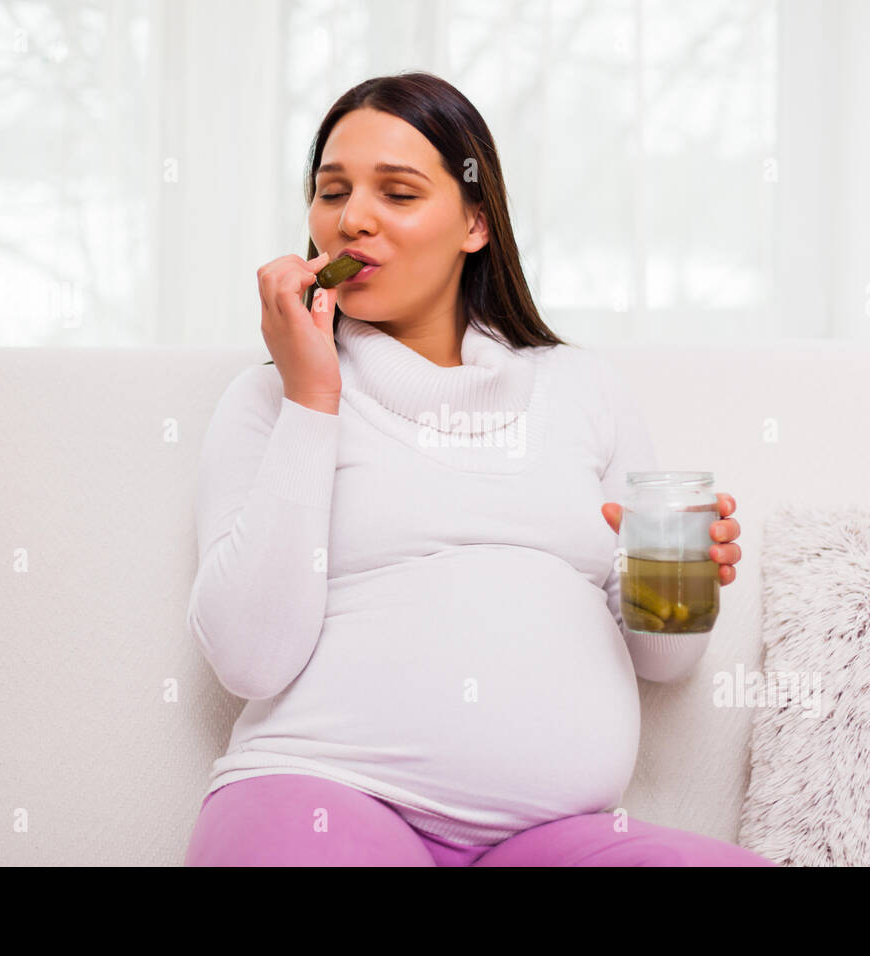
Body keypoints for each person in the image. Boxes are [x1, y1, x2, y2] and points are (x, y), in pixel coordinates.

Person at [183, 71, 762, 867]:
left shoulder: (581, 387)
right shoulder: (268, 400)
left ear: (476, 224)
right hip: (320, 796)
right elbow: (248, 658)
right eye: (332, 191)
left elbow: (668, 662)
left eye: (398, 192)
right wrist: (313, 395)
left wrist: (669, 574)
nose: (352, 219)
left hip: (554, 841)